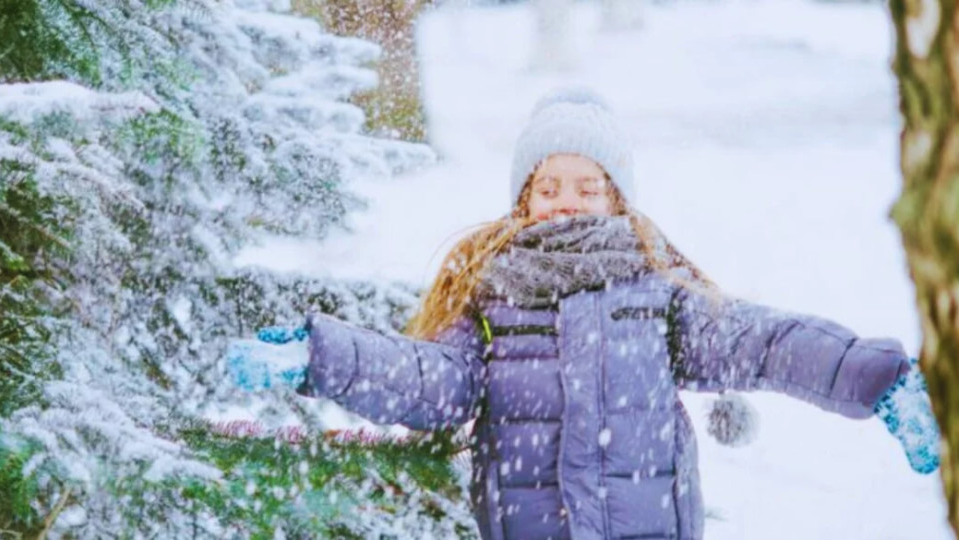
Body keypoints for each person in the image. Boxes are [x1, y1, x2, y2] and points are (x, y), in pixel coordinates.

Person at [246, 88, 936, 540]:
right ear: (524, 200)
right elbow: (432, 380)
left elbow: (761, 341)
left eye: (587, 186)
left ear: (617, 200)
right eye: (548, 186)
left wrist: (874, 378)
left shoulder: (656, 294)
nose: (566, 200)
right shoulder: (494, 293)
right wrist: (320, 354)